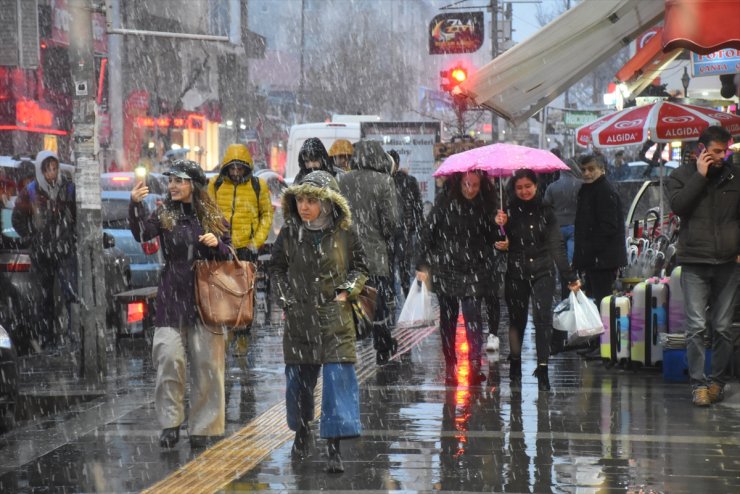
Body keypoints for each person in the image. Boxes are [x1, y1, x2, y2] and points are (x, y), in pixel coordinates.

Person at [129, 159, 232, 449]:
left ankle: (204, 428)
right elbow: (141, 234)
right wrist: (135, 205)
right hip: (172, 297)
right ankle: (170, 424)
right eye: (171, 180)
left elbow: (230, 253)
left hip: (206, 299)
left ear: (194, 185)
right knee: (169, 358)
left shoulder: (211, 215)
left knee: (208, 365)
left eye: (179, 180)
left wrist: (218, 245)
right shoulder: (164, 213)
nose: (172, 186)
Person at [270, 170, 368, 473]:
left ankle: (334, 448)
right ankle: (301, 431)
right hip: (300, 318)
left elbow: (360, 268)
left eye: (311, 200)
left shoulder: (345, 233)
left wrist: (346, 291)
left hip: (335, 318)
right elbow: (276, 270)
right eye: (300, 200)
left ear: (327, 203)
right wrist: (286, 298)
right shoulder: (290, 233)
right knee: (299, 382)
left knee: (338, 382)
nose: (304, 206)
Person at [665, 126, 740, 407]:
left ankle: (717, 382)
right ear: (701, 149)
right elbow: (679, 207)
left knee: (722, 326)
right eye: (716, 151)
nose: (723, 156)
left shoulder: (735, 176)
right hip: (694, 261)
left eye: (726, 150)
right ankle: (698, 384)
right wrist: (700, 175)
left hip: (728, 263)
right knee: (696, 326)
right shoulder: (680, 176)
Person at [495, 169, 581, 391]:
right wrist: (500, 233)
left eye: (528, 186)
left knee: (543, 319)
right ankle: (515, 363)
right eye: (519, 187)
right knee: (517, 320)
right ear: (514, 189)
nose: (524, 191)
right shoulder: (507, 212)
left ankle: (542, 368)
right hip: (516, 272)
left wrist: (569, 276)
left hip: (543, 271)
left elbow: (556, 246)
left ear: (536, 186)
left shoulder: (546, 211)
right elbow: (498, 242)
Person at [416, 171, 501, 386]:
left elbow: (495, 239)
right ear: (458, 183)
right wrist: (421, 264)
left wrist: (499, 224)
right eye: (466, 184)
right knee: (448, 319)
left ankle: (474, 364)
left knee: (473, 316)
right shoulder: (445, 203)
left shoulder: (487, 205)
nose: (470, 189)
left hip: (476, 267)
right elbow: (428, 233)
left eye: (474, 185)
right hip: (447, 268)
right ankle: (450, 365)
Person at [339, 140, 399, 365]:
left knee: (349, 300)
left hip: (348, 255)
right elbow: (390, 222)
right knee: (379, 302)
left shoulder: (343, 180)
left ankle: (347, 346)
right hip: (375, 255)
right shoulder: (385, 182)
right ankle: (382, 345)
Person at [208, 144, 272, 352]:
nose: (236, 172)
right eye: (232, 168)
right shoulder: (215, 185)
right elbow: (208, 212)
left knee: (245, 294)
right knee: (223, 292)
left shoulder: (257, 186)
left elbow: (266, 215)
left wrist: (256, 241)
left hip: (246, 248)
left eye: (240, 168)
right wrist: (216, 237)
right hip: (221, 248)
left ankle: (243, 337)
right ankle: (227, 333)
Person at [12, 151, 77, 351]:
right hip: (42, 253)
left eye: (54, 168)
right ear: (41, 171)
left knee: (71, 294)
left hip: (65, 250)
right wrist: (32, 238)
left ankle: (73, 338)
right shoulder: (30, 192)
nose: (52, 173)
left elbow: (77, 216)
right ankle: (48, 340)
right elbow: (17, 219)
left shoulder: (67, 189)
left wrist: (70, 236)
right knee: (44, 298)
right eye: (47, 169)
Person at [572, 154, 627, 358]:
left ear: (602, 169)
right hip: (594, 259)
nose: (586, 173)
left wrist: (591, 253)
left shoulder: (604, 190)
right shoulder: (588, 190)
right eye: (584, 169)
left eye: (591, 169)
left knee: (603, 302)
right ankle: (597, 343)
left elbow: (607, 227)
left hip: (602, 259)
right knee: (596, 302)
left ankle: (604, 345)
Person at [387, 150, 423, 297]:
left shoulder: (408, 181)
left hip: (404, 230)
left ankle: (404, 295)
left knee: (402, 266)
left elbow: (417, 206)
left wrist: (418, 226)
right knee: (398, 266)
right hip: (395, 231)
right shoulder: (385, 181)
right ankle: (397, 295)